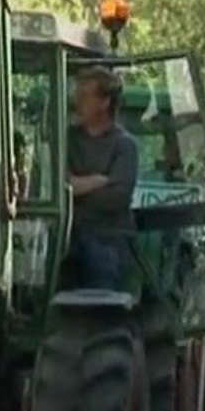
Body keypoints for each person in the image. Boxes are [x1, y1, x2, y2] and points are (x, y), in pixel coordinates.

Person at [64, 66, 139, 290]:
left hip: (106, 236)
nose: (77, 101)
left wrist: (75, 188)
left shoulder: (124, 145)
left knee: (101, 265)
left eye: (84, 95)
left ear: (104, 102)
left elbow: (117, 197)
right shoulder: (67, 139)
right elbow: (55, 185)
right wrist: (98, 180)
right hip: (65, 234)